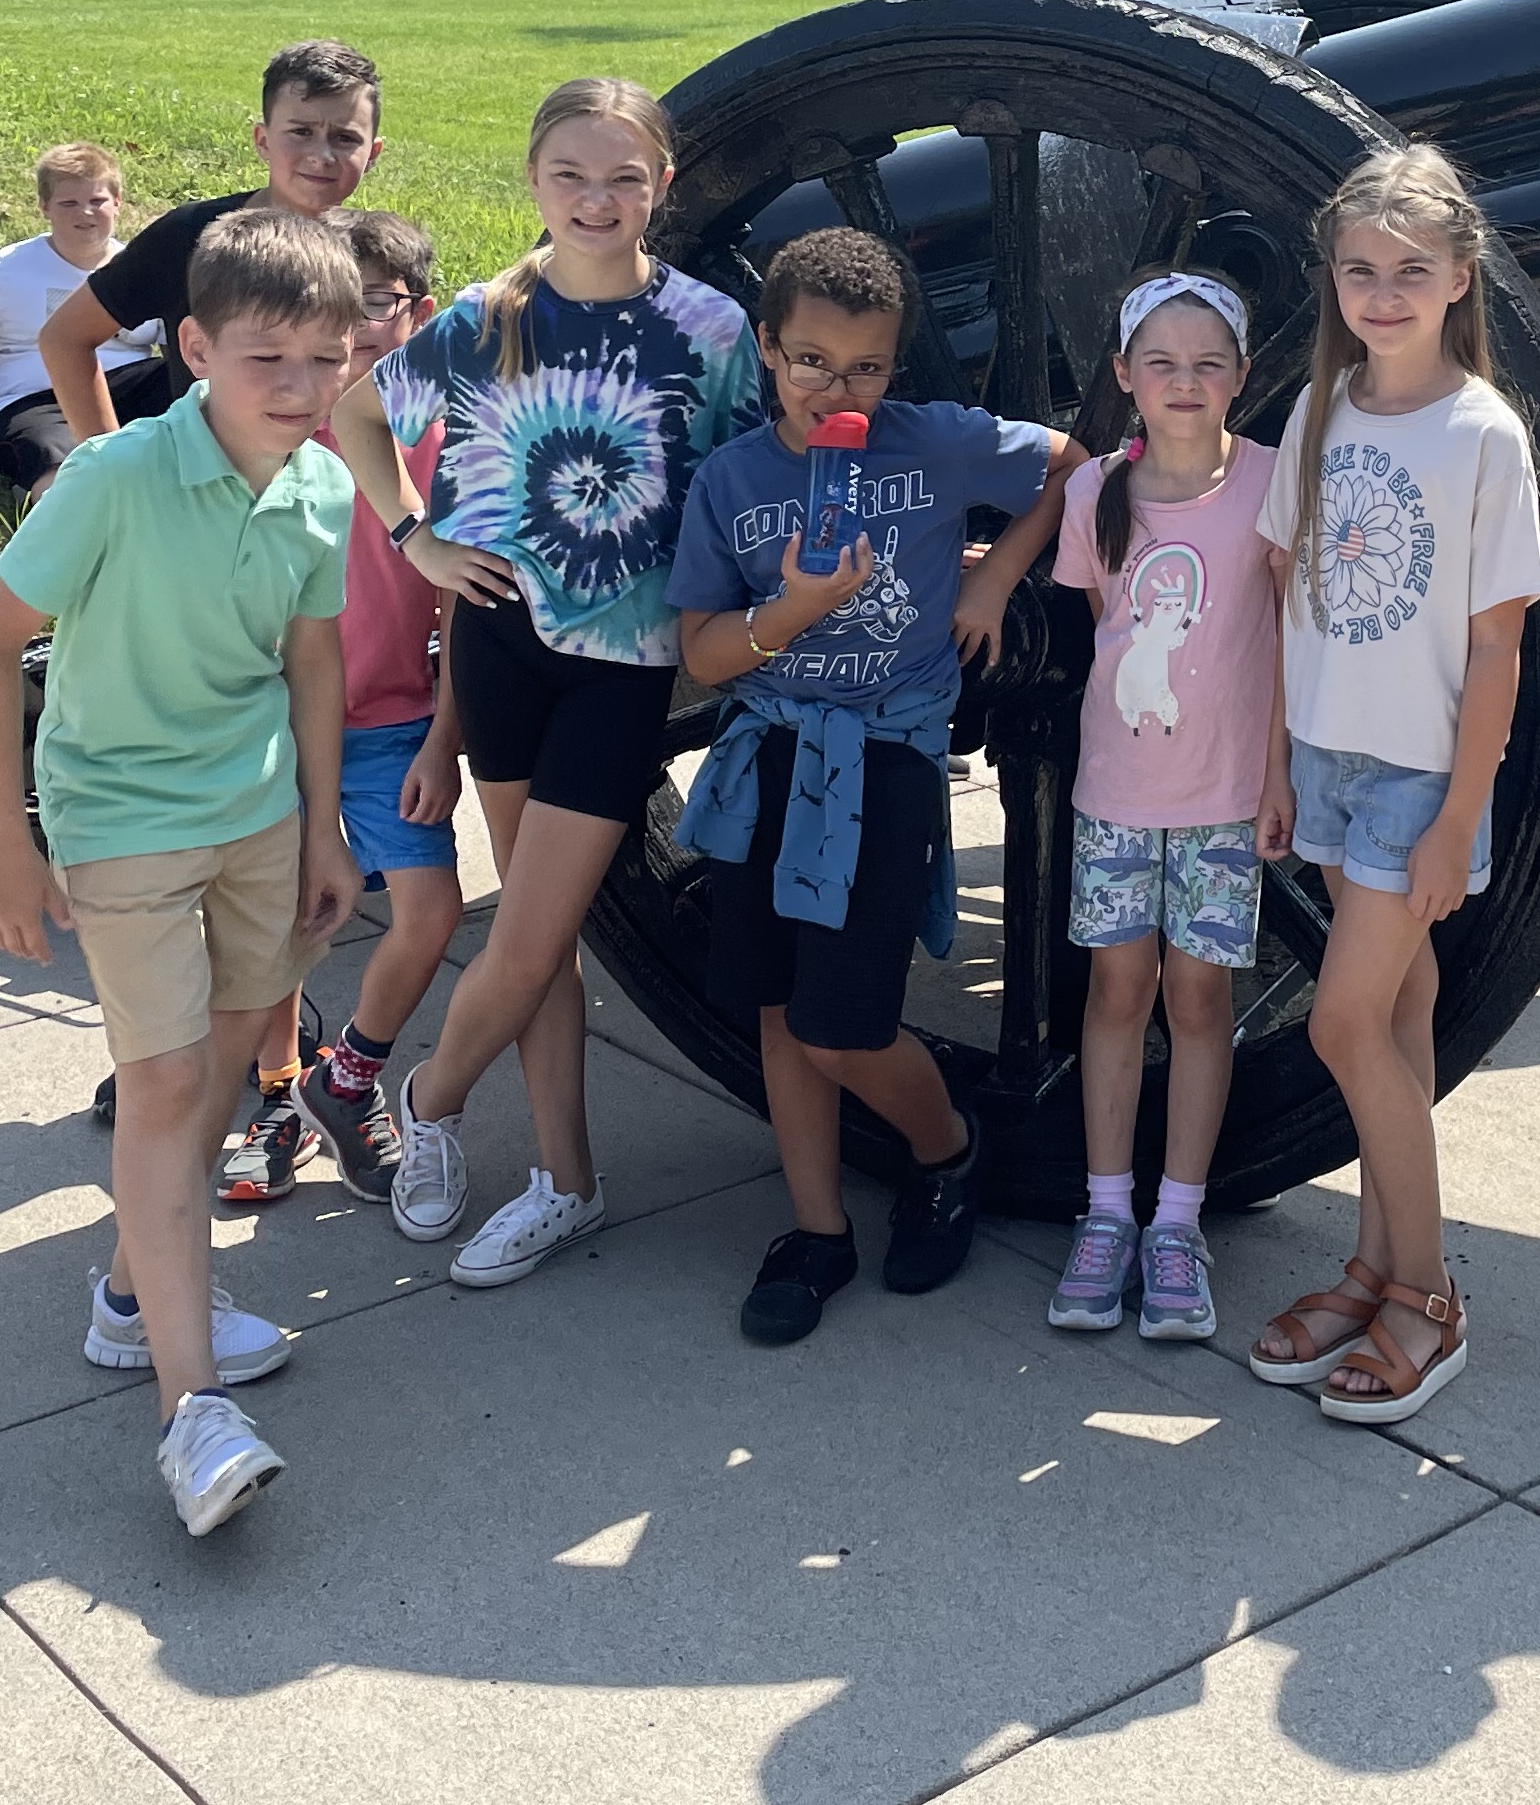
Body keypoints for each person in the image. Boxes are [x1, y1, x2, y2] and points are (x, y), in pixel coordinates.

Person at [0, 210, 364, 1539]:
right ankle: (194, 1416)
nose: (298, 387)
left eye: (325, 359)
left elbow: (309, 660)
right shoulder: (113, 480)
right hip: (120, 820)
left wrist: (322, 824)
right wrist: (3, 843)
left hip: (256, 818)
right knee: (170, 1080)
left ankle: (134, 1300)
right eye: (266, 359)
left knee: (231, 1067)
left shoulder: (323, 488)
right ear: (191, 348)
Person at [314, 82, 758, 1286]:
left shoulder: (713, 331)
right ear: (534, 180)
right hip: (502, 642)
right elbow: (357, 412)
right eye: (572, 175)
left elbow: (745, 478)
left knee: (536, 926)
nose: (597, 200)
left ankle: (424, 1092)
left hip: (624, 666)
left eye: (623, 177)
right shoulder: (488, 313)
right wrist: (415, 539)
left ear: (661, 184)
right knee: (537, 937)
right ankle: (566, 1179)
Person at [664, 225, 1078, 1345]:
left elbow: (1068, 463)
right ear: (767, 350)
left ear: (895, 368)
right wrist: (790, 613)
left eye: (864, 368)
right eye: (808, 362)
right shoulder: (734, 479)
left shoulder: (933, 445)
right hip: (771, 756)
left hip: (887, 759)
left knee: (844, 1025)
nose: (833, 389)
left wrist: (1000, 575)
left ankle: (946, 1149)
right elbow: (702, 653)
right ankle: (816, 1229)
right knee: (779, 1016)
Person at [1242, 146, 1540, 1427]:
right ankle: (1372, 1266)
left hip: (1419, 777)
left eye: (1410, 272)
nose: (1381, 293)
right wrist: (1273, 770)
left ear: (1459, 279)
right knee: (1401, 1022)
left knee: (1341, 1027)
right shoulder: (1320, 409)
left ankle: (1428, 1295)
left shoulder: (1484, 436)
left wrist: (1461, 821)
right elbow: (1283, 601)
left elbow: (1497, 646)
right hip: (1326, 756)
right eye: (1358, 270)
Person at [1043, 271, 1284, 1345]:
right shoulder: (1098, 491)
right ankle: (1107, 1213)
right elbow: (1108, 624)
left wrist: (1276, 775)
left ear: (1240, 376)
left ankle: (1177, 1222)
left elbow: (1281, 643)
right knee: (1118, 992)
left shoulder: (1272, 487)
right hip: (1121, 793)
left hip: (1227, 796)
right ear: (1125, 377)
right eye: (1162, 365)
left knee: (1198, 1000)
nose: (1184, 384)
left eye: (1208, 365)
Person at [215, 209, 464, 1207]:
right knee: (283, 923)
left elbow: (460, 609)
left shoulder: (441, 442)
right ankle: (279, 1097)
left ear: (422, 315)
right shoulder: (273, 436)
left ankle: (348, 1072)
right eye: (337, 312)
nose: (357, 331)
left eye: (378, 309)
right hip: (278, 721)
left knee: (432, 912)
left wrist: (446, 739)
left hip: (395, 720)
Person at [42, 39, 382, 438]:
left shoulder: (377, 254)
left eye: (345, 138)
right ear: (262, 140)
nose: (322, 155)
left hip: (332, 481)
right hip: (202, 478)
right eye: (301, 131)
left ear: (373, 152)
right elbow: (65, 336)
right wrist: (105, 463)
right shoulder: (189, 237)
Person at [0, 143, 154, 495]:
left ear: (118, 202)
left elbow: (180, 345)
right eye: (69, 203)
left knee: (196, 397)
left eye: (97, 201)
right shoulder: (6, 270)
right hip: (37, 400)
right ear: (45, 207)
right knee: (52, 453)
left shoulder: (141, 268)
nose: (86, 213)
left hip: (127, 383)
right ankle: (62, 506)